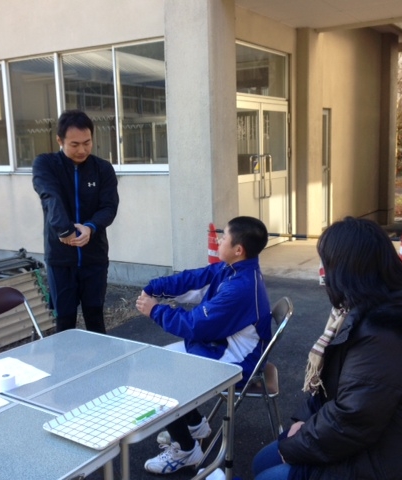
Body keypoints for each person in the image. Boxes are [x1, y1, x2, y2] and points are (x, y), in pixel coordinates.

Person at [252, 216, 402, 480]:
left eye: (326, 263)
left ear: (346, 271)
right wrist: (303, 420)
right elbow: (336, 388)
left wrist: (293, 446)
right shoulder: (361, 310)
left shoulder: (384, 334)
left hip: (399, 460)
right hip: (376, 440)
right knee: (262, 460)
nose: (322, 271)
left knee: (268, 474)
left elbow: (352, 419)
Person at [136, 216, 273, 474]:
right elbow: (194, 280)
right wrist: (154, 287)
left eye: (224, 237)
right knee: (158, 361)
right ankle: (195, 424)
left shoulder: (240, 288)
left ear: (238, 249)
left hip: (237, 364)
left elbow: (194, 325)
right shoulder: (233, 269)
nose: (219, 240)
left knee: (159, 376)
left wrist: (155, 310)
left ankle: (186, 450)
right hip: (222, 349)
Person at [32, 110, 119, 334]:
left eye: (87, 143)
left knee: (95, 317)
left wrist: (90, 227)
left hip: (94, 258)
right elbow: (50, 197)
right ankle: (65, 358)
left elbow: (109, 207)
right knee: (64, 321)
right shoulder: (46, 165)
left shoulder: (102, 169)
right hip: (61, 259)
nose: (82, 150)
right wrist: (65, 230)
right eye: (74, 144)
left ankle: (100, 357)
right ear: (59, 140)